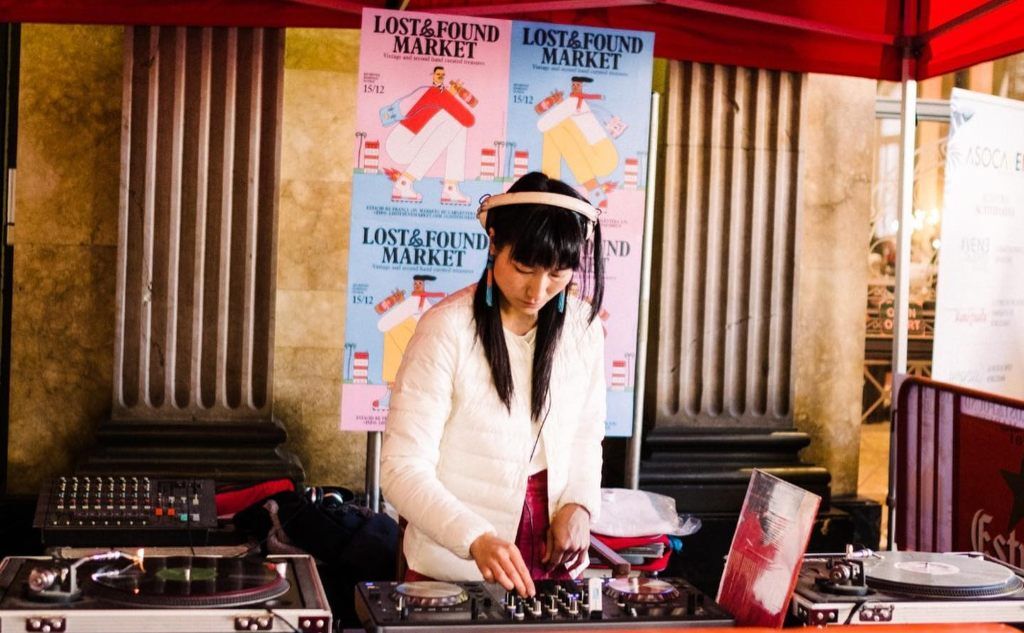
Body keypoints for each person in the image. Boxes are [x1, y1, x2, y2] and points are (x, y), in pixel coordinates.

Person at [380, 172, 606, 597]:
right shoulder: (446, 329)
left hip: (552, 555)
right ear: (493, 242)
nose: (538, 290)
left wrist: (578, 504)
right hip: (455, 562)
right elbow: (401, 468)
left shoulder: (583, 328)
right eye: (523, 268)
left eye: (558, 274)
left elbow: (585, 434)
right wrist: (474, 537)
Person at [384, 65, 475, 205]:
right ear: (432, 75)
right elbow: (469, 119)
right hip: (400, 145)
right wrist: (457, 96)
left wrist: (453, 94)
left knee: (456, 126)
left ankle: (450, 186)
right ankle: (405, 182)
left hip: (408, 141)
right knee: (455, 125)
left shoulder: (439, 95)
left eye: (442, 75)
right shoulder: (435, 93)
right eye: (438, 74)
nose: (440, 77)